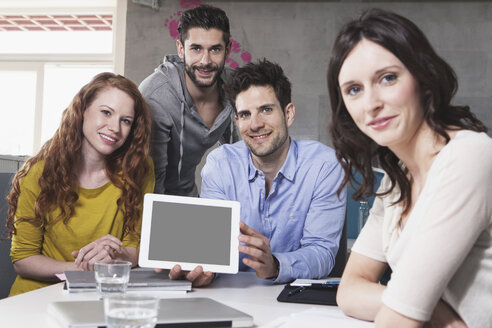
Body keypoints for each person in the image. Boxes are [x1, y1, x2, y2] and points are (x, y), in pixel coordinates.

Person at [327, 8, 492, 328]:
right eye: (354, 89)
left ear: (423, 78)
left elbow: (397, 319)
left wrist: (410, 307)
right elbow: (349, 290)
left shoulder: (469, 155)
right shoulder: (395, 180)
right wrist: (437, 312)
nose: (371, 103)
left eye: (387, 78)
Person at [169, 59, 346, 286]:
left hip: (293, 301)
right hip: (230, 295)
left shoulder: (324, 166)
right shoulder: (220, 165)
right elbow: (210, 248)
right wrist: (204, 269)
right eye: (245, 114)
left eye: (266, 110)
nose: (255, 124)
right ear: (236, 121)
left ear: (288, 114)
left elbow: (322, 252)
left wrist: (276, 265)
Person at [6, 72, 155, 296]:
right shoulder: (39, 173)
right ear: (83, 110)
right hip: (36, 296)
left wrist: (115, 255)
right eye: (106, 112)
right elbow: (23, 259)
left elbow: (134, 248)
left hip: (102, 295)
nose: (115, 128)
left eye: (126, 121)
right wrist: (85, 268)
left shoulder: (138, 170)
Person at [139, 4, 238, 197]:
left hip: (188, 196)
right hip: (144, 200)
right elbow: (150, 180)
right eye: (196, 49)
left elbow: (239, 157)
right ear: (181, 49)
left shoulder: (235, 88)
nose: (205, 61)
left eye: (215, 49)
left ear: (228, 50)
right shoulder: (157, 96)